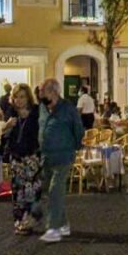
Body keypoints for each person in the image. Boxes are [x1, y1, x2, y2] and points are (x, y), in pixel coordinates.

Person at [38, 78, 85, 243]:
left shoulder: (68, 109)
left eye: (42, 93)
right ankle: (63, 223)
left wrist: (76, 147)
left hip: (64, 155)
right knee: (50, 191)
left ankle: (53, 228)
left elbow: (78, 129)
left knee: (54, 189)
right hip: (46, 156)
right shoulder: (43, 109)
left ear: (53, 93)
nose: (40, 96)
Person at [3, 83, 42, 235]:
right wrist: (6, 127)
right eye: (16, 97)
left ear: (28, 98)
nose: (19, 100)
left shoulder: (36, 113)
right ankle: (20, 220)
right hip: (16, 157)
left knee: (31, 189)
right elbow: (4, 138)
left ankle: (30, 219)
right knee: (18, 190)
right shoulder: (11, 114)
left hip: (32, 156)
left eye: (22, 97)